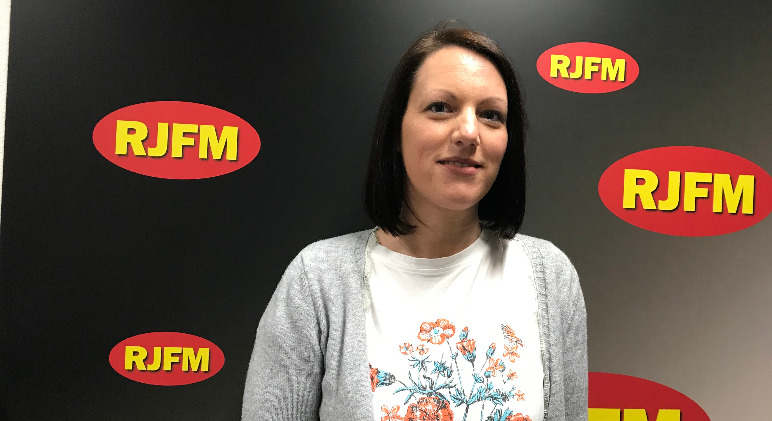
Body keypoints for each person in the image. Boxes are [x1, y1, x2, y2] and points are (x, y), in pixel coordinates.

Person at [242, 24, 587, 421]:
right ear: (396, 130)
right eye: (440, 107)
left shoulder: (551, 277)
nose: (469, 132)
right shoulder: (317, 282)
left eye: (491, 115)